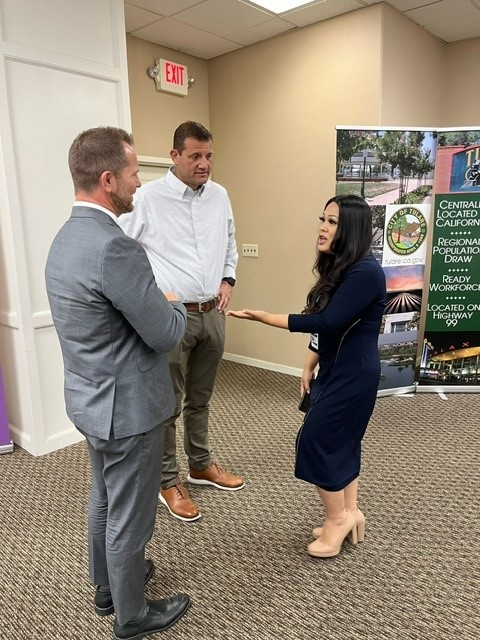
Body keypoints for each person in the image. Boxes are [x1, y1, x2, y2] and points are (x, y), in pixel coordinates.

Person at [45, 127, 191, 639]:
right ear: (108, 180)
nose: (138, 185)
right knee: (130, 513)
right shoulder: (115, 248)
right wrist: (171, 302)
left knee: (105, 497)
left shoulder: (64, 239)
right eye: (133, 175)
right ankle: (131, 615)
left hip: (90, 402)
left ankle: (107, 586)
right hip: (128, 408)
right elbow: (165, 333)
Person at [227, 195, 386, 558]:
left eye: (333, 222)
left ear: (352, 230)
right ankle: (350, 512)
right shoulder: (343, 267)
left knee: (316, 441)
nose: (322, 227)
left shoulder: (365, 272)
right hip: (337, 368)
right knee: (341, 441)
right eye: (323, 219)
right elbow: (331, 325)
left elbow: (326, 321)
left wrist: (266, 317)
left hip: (353, 374)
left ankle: (336, 521)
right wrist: (310, 362)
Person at [119, 121, 243, 522]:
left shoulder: (219, 195)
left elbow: (230, 241)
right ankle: (168, 480)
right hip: (172, 317)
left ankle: (201, 463)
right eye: (195, 156)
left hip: (212, 314)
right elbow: (120, 249)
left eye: (209, 155)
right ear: (175, 156)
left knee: (201, 398)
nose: (204, 164)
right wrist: (148, 297)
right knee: (167, 404)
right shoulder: (148, 198)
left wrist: (228, 277)